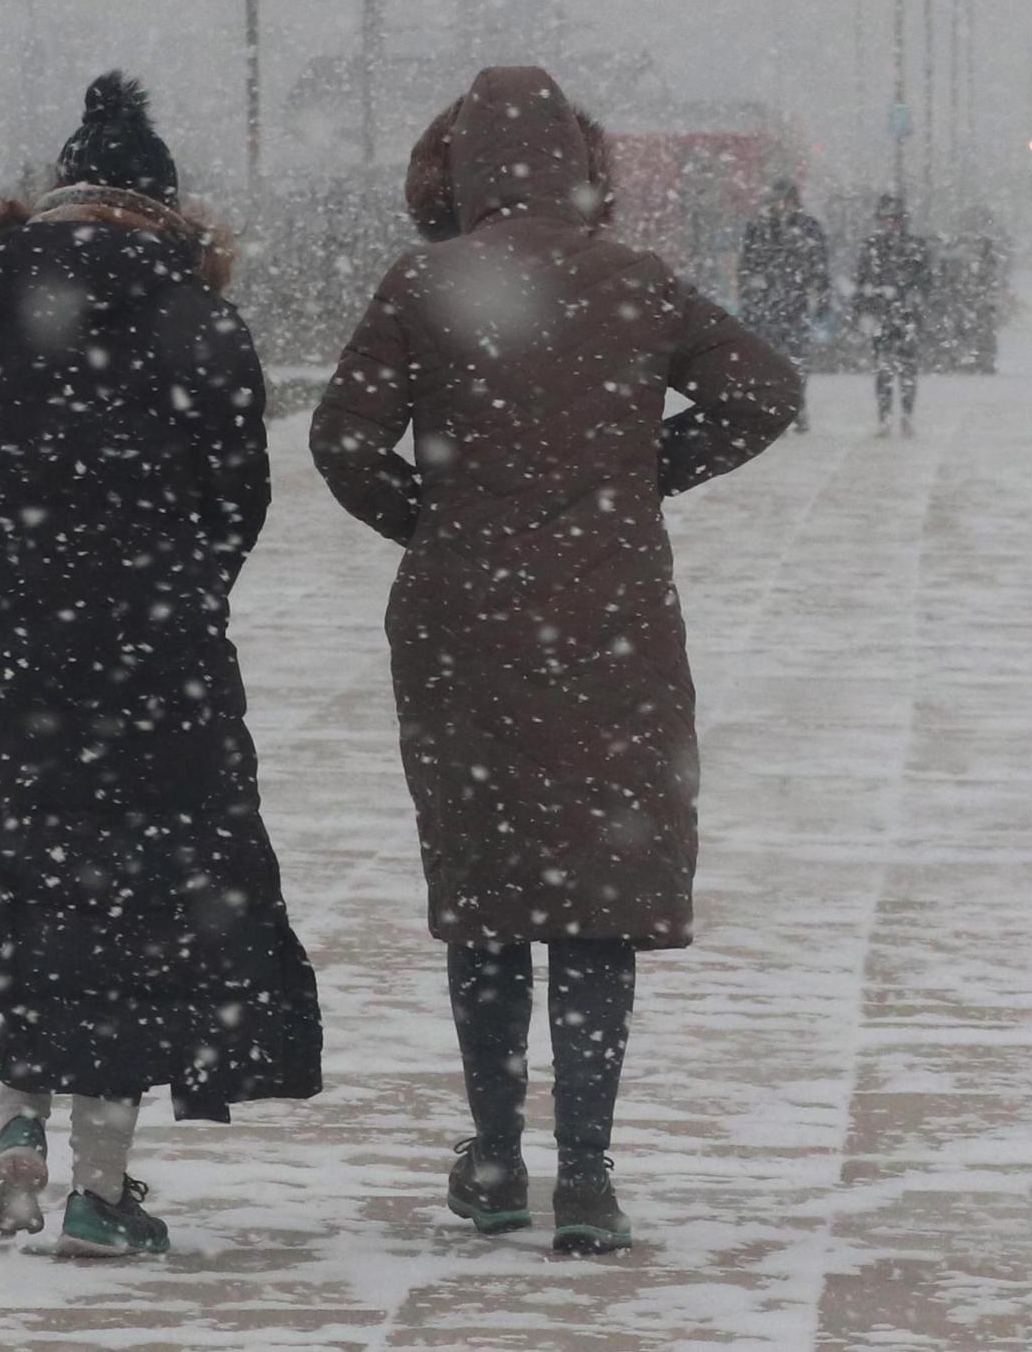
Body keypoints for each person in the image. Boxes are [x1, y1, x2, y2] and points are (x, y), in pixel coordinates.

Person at [309, 66, 798, 1256]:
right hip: (608, 612)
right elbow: (764, 390)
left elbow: (343, 438)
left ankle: (492, 1156)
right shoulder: (635, 281)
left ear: (454, 168)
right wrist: (639, 477)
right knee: (597, 897)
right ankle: (587, 1173)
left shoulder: (428, 282)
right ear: (581, 163)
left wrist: (434, 518)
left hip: (464, 619)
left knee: (487, 893)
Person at [0, 72, 322, 1258]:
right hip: (156, 639)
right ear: (162, 201)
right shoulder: (198, 316)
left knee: (29, 858)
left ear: (59, 193)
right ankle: (102, 1183)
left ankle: (14, 1118)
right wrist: (174, 586)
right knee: (146, 894)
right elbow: (237, 499)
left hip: (4, 632)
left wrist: (24, 565)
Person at [732, 177, 832, 432]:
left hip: (794, 303)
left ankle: (794, 406)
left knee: (796, 359)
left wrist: (820, 298)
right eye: (779, 201)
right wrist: (749, 296)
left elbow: (819, 267)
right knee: (770, 360)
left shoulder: (808, 228)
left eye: (787, 201)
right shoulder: (758, 228)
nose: (783, 206)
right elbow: (746, 266)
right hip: (765, 306)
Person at [853, 193, 934, 435]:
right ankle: (885, 417)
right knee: (883, 369)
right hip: (882, 315)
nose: (890, 224)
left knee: (907, 369)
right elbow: (862, 281)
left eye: (895, 219)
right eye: (886, 219)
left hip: (906, 315)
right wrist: (864, 308)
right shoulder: (871, 247)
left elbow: (925, 281)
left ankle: (906, 415)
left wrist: (912, 296)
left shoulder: (915, 247)